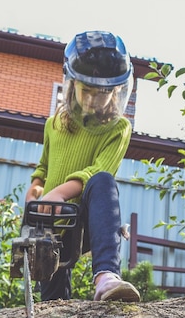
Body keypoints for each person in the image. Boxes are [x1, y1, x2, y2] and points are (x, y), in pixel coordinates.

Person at [25, 30, 141, 302]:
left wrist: (61, 193)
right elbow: (43, 168)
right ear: (71, 84)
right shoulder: (53, 124)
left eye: (101, 94)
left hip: (89, 222)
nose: (91, 100)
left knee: (102, 180)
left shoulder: (118, 128)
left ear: (115, 92)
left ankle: (106, 277)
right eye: (85, 91)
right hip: (52, 225)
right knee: (53, 304)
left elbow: (98, 170)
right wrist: (36, 191)